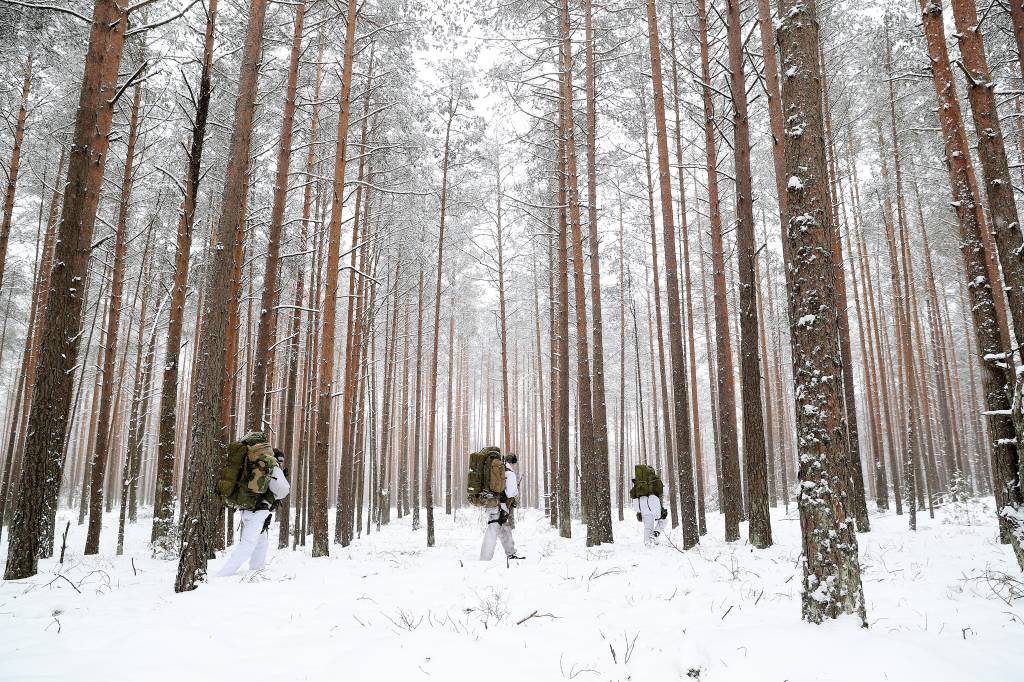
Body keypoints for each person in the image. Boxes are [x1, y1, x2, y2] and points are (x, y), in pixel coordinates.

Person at [217, 447, 290, 577]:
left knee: (261, 542)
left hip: (247, 508)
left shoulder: (254, 464)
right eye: (280, 460)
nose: (280, 462)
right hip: (259, 510)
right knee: (248, 544)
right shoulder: (272, 467)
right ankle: (223, 575)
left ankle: (256, 570)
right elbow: (283, 490)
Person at [480, 452, 523, 561]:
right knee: (492, 532)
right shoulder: (510, 474)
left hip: (494, 504)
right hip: (500, 507)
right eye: (515, 463)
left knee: (505, 530)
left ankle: (511, 554)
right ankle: (484, 560)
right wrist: (515, 493)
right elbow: (510, 493)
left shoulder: (501, 472)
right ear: (513, 462)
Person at [631, 478, 668, 547]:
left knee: (648, 527)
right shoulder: (654, 482)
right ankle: (654, 535)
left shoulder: (639, 484)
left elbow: (634, 496)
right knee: (664, 520)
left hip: (642, 506)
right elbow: (664, 492)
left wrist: (638, 511)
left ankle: (648, 543)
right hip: (652, 504)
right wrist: (665, 486)